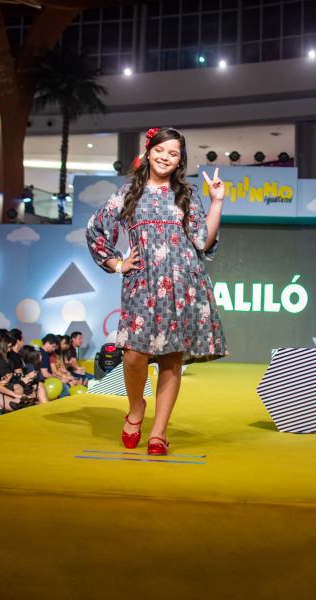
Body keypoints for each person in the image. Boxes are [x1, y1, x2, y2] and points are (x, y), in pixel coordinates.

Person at [86, 126, 228, 455]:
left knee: (171, 358)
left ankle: (159, 432)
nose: (165, 157)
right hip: (141, 284)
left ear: (180, 160)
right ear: (149, 152)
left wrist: (217, 202)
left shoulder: (186, 194)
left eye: (173, 153)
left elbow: (202, 241)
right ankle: (136, 409)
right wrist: (117, 264)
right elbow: (96, 230)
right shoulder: (128, 193)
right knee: (134, 355)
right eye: (160, 150)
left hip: (184, 284)